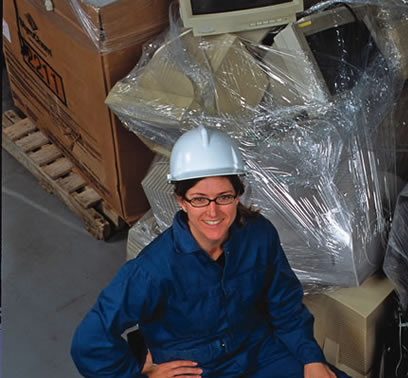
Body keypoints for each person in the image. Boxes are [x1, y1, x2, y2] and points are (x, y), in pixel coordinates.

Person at [71, 127, 348, 378]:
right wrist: (138, 371)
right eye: (200, 199)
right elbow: (89, 340)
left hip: (258, 351)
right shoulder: (153, 269)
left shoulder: (259, 236)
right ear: (182, 201)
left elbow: (285, 305)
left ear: (238, 195)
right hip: (195, 369)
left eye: (224, 197)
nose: (213, 212)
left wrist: (311, 359)